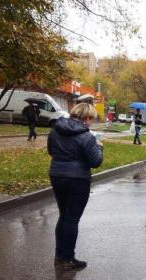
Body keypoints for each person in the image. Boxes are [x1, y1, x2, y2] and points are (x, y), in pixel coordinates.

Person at [47, 103, 103, 270]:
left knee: (63, 215)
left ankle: (59, 256)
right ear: (86, 118)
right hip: (78, 179)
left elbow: (51, 151)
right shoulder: (87, 137)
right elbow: (96, 161)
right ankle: (68, 259)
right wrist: (100, 147)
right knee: (72, 219)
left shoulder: (55, 130)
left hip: (56, 174)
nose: (91, 122)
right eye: (91, 119)